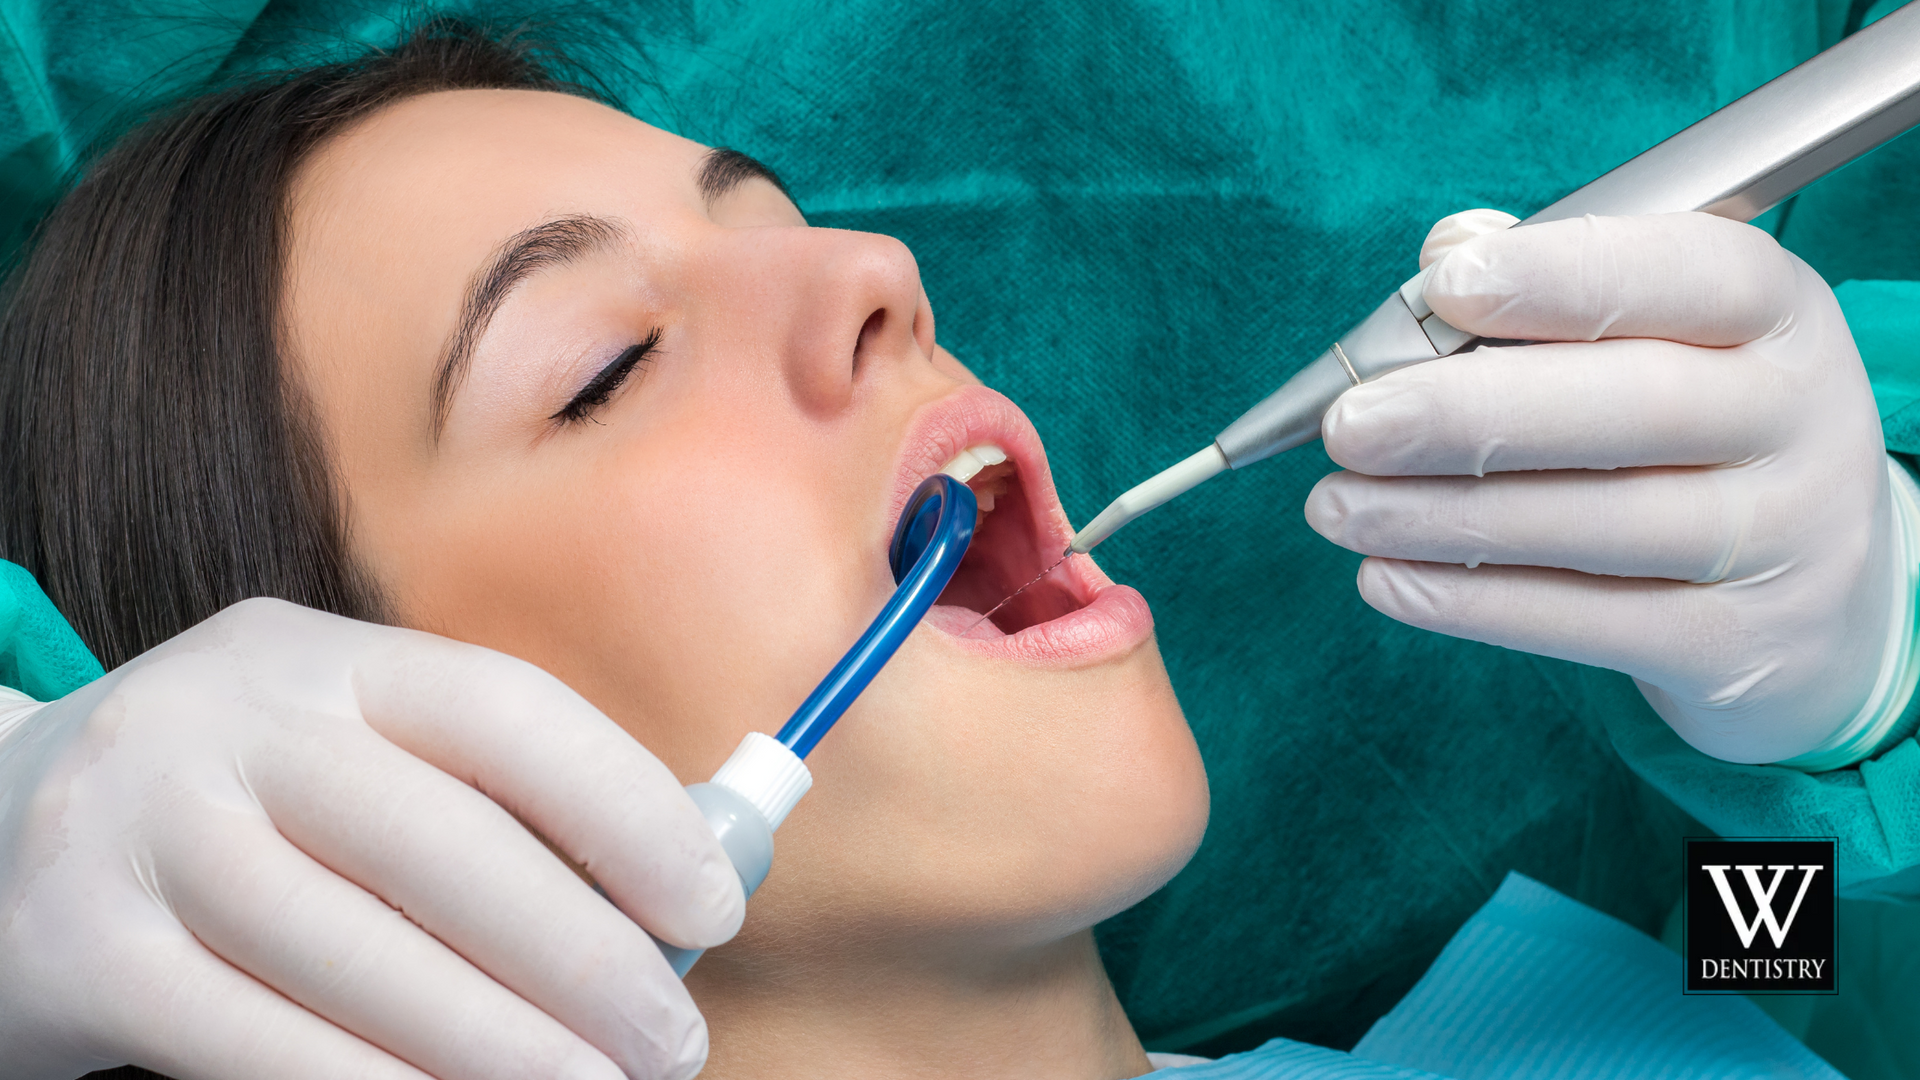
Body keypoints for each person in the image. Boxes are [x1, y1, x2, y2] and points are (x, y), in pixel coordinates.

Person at [3, 3, 1918, 1077]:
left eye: (787, 215)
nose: (872, 269)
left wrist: (1865, 715)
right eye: (602, 366)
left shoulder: (1636, 1024)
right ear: (331, 776)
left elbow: (1805, 964)